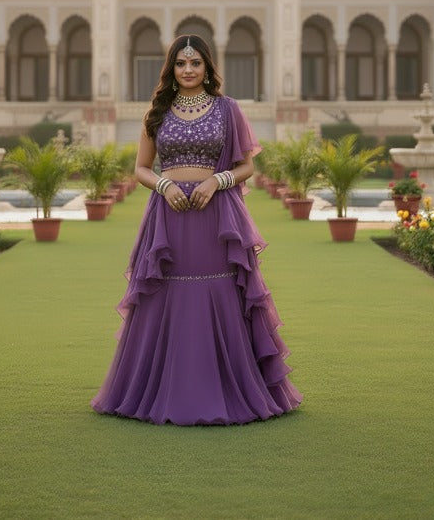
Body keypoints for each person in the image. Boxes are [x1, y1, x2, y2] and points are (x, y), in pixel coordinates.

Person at [91, 34, 303, 425]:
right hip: (168, 217)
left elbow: (246, 167)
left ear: (207, 67)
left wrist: (215, 182)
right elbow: (140, 168)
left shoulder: (228, 109)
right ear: (171, 68)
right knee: (165, 291)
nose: (188, 70)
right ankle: (159, 391)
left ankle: (225, 389)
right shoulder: (158, 111)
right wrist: (164, 185)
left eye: (195, 63)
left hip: (216, 217)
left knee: (218, 287)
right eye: (180, 64)